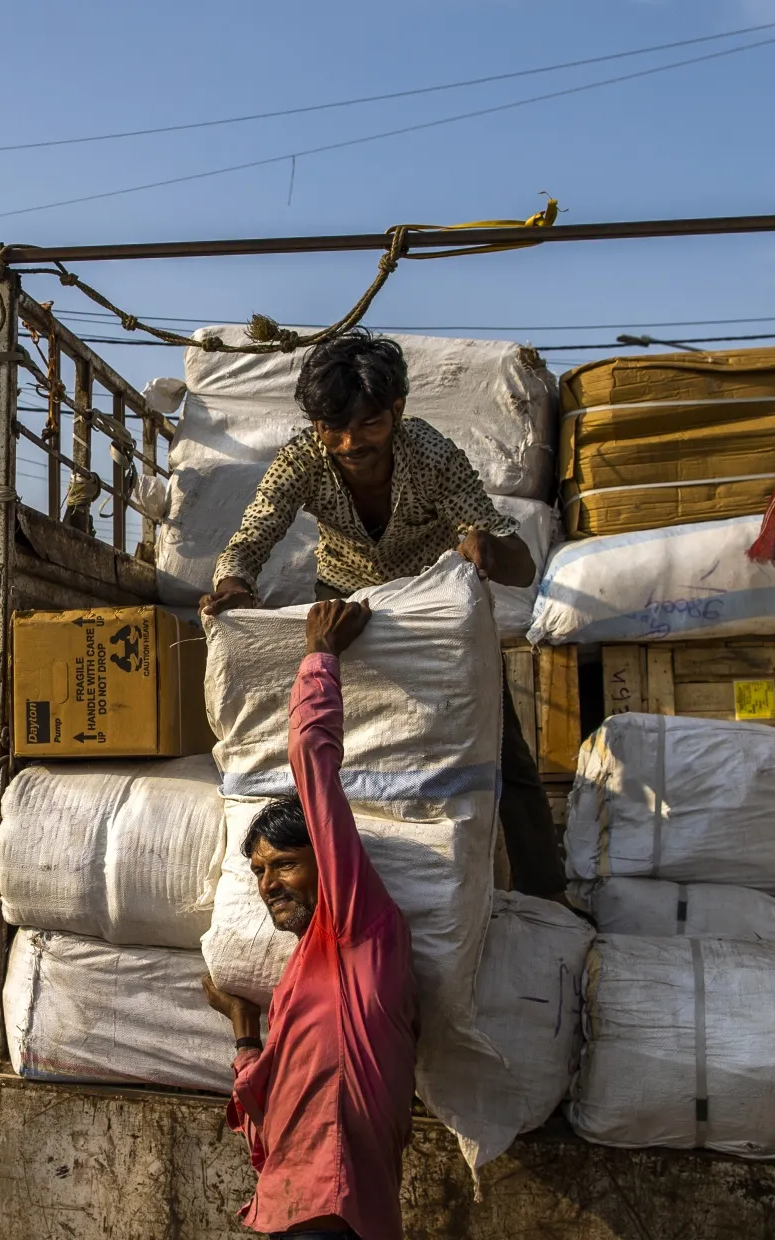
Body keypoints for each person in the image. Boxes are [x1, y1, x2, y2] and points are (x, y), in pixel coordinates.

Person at [200, 331, 563, 899]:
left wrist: (487, 548)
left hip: (429, 619)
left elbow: (511, 555)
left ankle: (546, 895)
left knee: (504, 756)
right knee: (338, 749)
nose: (350, 443)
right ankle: (348, 881)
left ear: (397, 410)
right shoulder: (303, 458)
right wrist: (233, 582)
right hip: (345, 619)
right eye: (333, 428)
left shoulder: (433, 455)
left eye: (368, 424)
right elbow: (255, 532)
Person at [205, 599, 416, 1240]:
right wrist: (242, 1028)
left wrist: (320, 658)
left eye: (284, 864)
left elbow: (313, 769)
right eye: (258, 871)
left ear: (326, 865)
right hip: (309, 1238)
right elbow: (271, 1107)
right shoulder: (303, 978)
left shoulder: (360, 933)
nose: (268, 884)